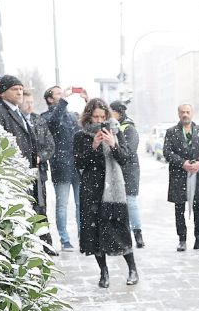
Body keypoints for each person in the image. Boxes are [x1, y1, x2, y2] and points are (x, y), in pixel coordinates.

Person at [74, 98, 138, 287]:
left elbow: (125, 159)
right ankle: (104, 272)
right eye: (96, 117)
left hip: (113, 191)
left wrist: (114, 145)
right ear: (88, 116)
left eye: (103, 116)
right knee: (94, 233)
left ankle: (132, 269)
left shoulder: (116, 132)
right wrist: (93, 147)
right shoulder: (80, 136)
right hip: (91, 189)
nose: (99, 120)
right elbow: (79, 163)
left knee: (120, 229)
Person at [0, 75, 57, 255]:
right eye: (14, 89)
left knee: (38, 209)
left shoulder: (18, 112)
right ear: (3, 92)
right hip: (15, 174)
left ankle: (41, 245)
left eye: (21, 88)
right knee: (23, 213)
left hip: (31, 172)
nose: (19, 92)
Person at [163, 104, 199, 251]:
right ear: (178, 114)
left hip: (198, 175)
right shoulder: (171, 132)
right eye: (182, 112)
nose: (185, 114)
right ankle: (182, 240)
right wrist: (182, 163)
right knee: (179, 209)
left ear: (192, 113)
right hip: (179, 175)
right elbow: (167, 152)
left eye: (188, 112)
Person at [43, 86, 85, 251]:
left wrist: (87, 101)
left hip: (77, 166)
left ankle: (84, 237)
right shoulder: (46, 117)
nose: (62, 97)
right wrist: (63, 102)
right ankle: (65, 240)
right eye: (58, 94)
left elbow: (86, 125)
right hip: (60, 166)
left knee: (81, 204)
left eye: (62, 94)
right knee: (62, 205)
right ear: (50, 99)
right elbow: (53, 123)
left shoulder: (72, 116)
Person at [111, 101, 144, 248]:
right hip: (115, 170)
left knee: (130, 202)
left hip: (129, 171)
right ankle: (119, 234)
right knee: (117, 203)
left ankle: (138, 234)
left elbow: (129, 151)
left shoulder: (129, 128)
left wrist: (116, 149)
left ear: (119, 112)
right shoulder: (111, 127)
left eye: (111, 111)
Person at [22, 91, 55, 181]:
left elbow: (50, 145)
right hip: (23, 170)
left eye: (31, 102)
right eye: (27, 102)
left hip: (40, 170)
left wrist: (40, 157)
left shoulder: (39, 120)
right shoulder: (17, 120)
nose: (30, 105)